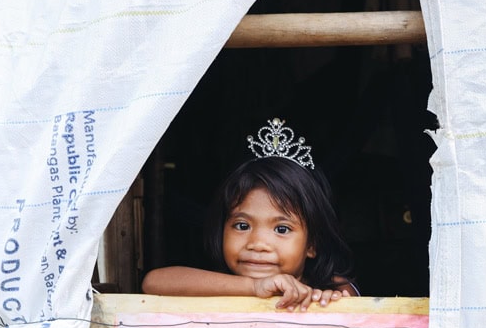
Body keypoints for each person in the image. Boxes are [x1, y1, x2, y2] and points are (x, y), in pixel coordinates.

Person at [142, 119, 357, 310]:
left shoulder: (327, 286)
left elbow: (350, 297)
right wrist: (254, 287)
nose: (258, 244)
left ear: (312, 244)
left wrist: (330, 300)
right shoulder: (217, 283)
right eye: (242, 226)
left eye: (282, 229)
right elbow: (153, 282)